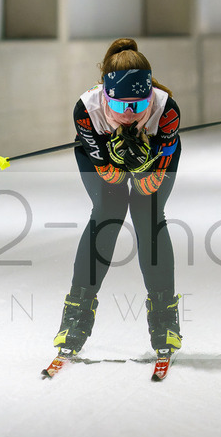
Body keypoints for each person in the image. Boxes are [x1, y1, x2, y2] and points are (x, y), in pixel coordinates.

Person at [53, 37, 183, 360]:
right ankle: (75, 316)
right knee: (109, 211)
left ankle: (165, 317)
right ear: (105, 96)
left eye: (138, 106)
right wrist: (115, 162)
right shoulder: (86, 110)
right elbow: (110, 175)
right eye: (121, 105)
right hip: (96, 155)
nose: (129, 114)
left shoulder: (166, 113)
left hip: (151, 165)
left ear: (150, 95)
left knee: (147, 212)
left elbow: (148, 185)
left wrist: (143, 163)